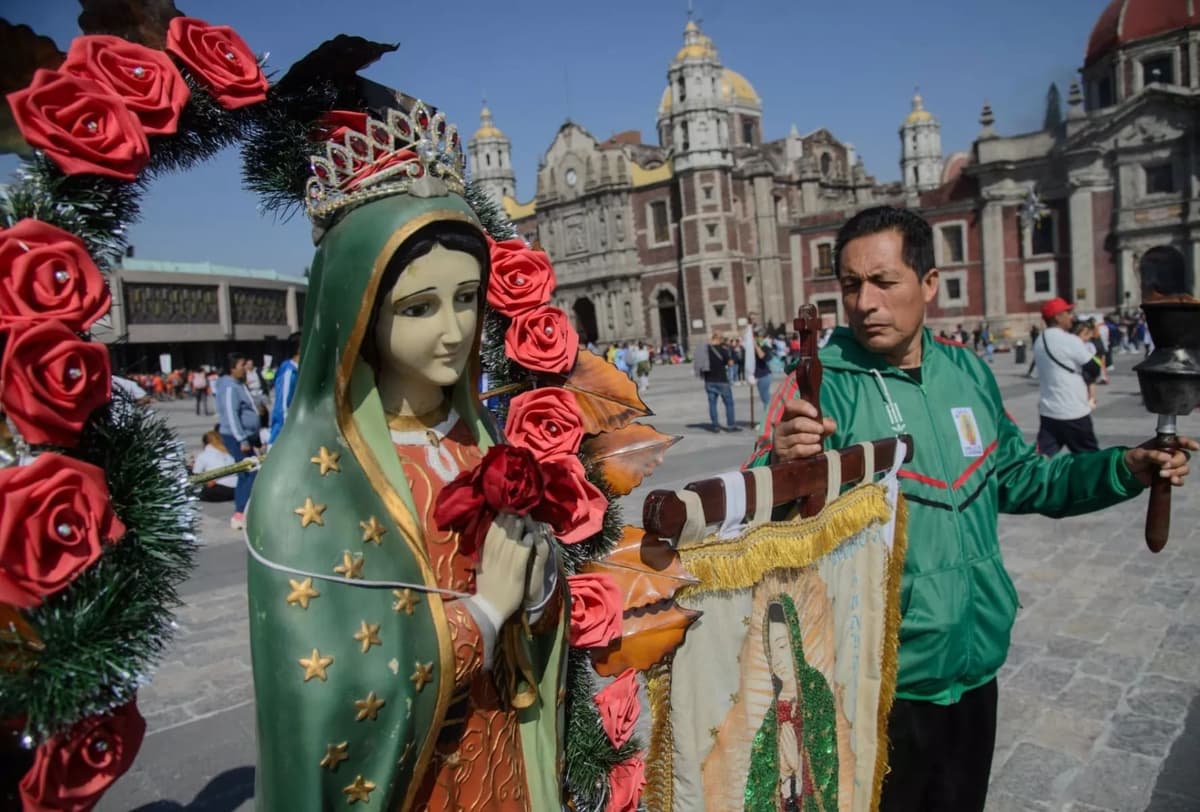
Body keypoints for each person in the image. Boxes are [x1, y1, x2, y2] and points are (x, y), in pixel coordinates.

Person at [749, 206, 1194, 812]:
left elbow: (1020, 476)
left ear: (929, 284)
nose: (865, 302)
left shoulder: (967, 371)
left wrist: (1123, 468)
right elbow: (752, 531)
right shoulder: (817, 387)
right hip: (879, 686)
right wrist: (781, 467)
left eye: (885, 281)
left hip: (975, 666)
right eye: (851, 286)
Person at [245, 110, 565, 811]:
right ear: (359, 310)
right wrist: (479, 616)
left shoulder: (479, 439)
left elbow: (530, 620)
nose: (454, 332)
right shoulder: (308, 483)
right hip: (412, 783)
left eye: (467, 300)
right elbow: (329, 688)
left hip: (498, 755)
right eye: (419, 308)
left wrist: (539, 595)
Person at [1033, 298, 1103, 455]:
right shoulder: (1070, 340)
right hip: (1073, 410)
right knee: (1090, 459)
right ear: (1057, 317)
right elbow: (1094, 368)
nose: (1071, 316)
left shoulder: (1039, 340)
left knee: (1044, 458)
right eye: (1068, 313)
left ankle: (1036, 480)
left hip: (1049, 411)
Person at [214, 352, 260, 530]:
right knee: (247, 472)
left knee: (250, 471)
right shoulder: (229, 387)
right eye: (242, 365)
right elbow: (231, 415)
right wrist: (242, 438)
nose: (246, 369)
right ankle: (240, 513)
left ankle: (245, 509)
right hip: (236, 436)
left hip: (247, 435)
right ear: (232, 368)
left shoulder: (238, 384)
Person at [702, 330, 738, 433]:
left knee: (712, 404)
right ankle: (731, 425)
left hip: (709, 380)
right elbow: (730, 363)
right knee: (729, 403)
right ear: (718, 339)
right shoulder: (722, 349)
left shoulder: (705, 349)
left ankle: (715, 426)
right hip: (722, 380)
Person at [268, 333, 300, 444]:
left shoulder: (300, 370)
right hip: (284, 436)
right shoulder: (288, 372)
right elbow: (283, 406)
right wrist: (287, 434)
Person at [192, 431, 236, 503]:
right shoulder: (230, 452)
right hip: (237, 489)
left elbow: (196, 476)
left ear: (205, 443)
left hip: (220, 489)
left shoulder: (203, 455)